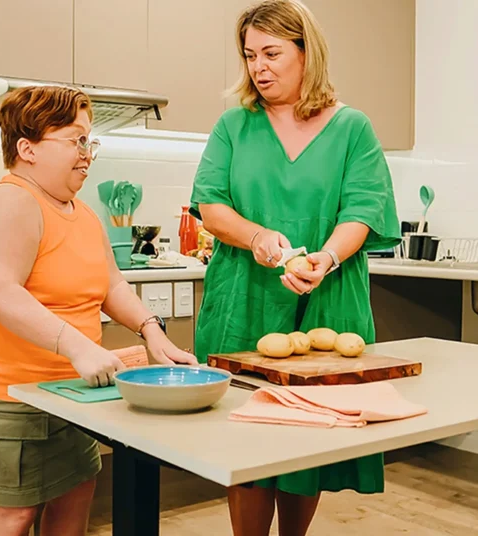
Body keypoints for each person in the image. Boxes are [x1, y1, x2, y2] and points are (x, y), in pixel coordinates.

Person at [0, 85, 197, 536]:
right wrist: (78, 346)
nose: (87, 153)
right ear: (26, 148)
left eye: (89, 141)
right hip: (1, 392)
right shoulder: (12, 200)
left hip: (69, 391)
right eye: (75, 140)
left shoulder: (82, 212)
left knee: (76, 492)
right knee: (13, 516)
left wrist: (153, 331)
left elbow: (111, 283)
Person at [189, 1, 401, 535]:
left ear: (308, 53)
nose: (258, 67)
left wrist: (325, 259)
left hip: (328, 296)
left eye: (272, 53)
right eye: (249, 55)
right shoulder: (234, 125)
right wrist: (258, 237)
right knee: (247, 435)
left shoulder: (353, 127)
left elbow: (363, 210)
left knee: (308, 438)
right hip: (245, 295)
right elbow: (210, 205)